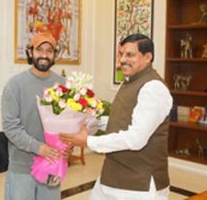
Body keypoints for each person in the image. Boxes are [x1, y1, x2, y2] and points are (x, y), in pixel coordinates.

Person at [60, 33, 173, 200]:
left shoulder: (153, 88)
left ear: (147, 57)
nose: (122, 60)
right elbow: (121, 121)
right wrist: (91, 121)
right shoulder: (128, 82)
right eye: (121, 54)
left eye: (130, 54)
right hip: (112, 176)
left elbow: (136, 138)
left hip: (139, 184)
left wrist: (88, 141)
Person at [1, 32, 67, 200]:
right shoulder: (15, 85)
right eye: (39, 50)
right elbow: (10, 127)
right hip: (22, 167)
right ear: (30, 52)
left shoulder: (63, 85)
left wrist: (67, 147)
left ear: (55, 54)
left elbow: (68, 124)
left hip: (52, 164)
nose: (44, 55)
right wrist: (39, 148)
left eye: (49, 50)